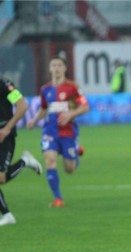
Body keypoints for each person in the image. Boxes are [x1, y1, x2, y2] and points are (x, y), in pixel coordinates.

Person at [26, 57, 90, 207]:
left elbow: (85, 107)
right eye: (53, 65)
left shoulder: (73, 87)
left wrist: (71, 114)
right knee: (50, 160)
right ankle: (58, 199)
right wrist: (34, 120)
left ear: (65, 69)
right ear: (49, 69)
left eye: (59, 65)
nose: (56, 68)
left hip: (68, 132)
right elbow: (44, 108)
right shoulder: (45, 89)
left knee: (70, 169)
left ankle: (75, 148)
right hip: (50, 131)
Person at [0, 78, 43, 226]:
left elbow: (22, 106)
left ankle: (24, 161)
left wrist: (7, 128)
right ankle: (7, 215)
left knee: (1, 178)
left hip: (4, 137)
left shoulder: (4, 85)